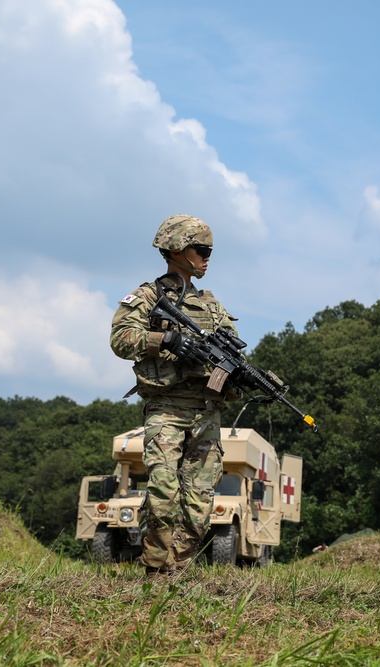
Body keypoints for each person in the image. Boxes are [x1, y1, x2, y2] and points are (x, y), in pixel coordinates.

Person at [110, 214, 240, 577]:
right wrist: (164, 339)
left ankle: (175, 571)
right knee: (164, 493)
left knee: (199, 507)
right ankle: (153, 570)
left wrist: (242, 373)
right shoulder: (149, 296)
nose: (208, 256)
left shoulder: (212, 306)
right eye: (202, 249)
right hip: (167, 407)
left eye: (210, 250)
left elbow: (233, 355)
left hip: (207, 412)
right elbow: (120, 338)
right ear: (178, 250)